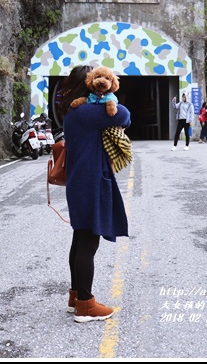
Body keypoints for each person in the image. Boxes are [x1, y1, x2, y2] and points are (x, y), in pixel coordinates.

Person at [56, 65, 131, 323]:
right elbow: (124, 115)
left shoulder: (73, 111)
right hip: (90, 182)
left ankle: (75, 297)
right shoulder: (87, 112)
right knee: (88, 242)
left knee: (80, 239)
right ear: (84, 84)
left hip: (79, 182)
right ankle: (86, 306)